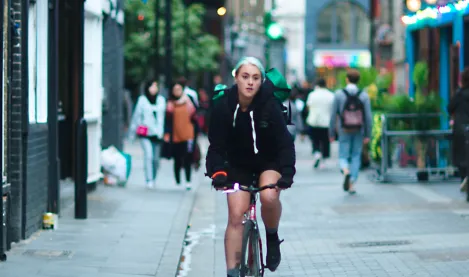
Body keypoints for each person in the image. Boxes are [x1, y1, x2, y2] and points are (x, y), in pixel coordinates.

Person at [205, 57, 296, 277]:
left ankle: (272, 237)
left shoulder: (269, 105)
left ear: (261, 81)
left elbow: (285, 143)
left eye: (256, 78)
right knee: (236, 215)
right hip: (237, 165)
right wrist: (218, 172)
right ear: (236, 77)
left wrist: (287, 172)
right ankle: (232, 272)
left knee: (269, 197)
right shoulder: (223, 106)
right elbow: (216, 146)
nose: (250, 83)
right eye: (245, 77)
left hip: (268, 162)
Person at [329, 69, 372, 194]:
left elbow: (333, 115)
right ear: (358, 80)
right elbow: (368, 117)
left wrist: (331, 132)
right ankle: (352, 182)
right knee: (356, 155)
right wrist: (367, 134)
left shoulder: (338, 94)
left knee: (343, 154)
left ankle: (345, 170)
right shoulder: (364, 95)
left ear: (347, 79)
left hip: (344, 129)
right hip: (359, 129)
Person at [128, 81, 166, 189]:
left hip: (158, 134)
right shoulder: (142, 100)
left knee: (156, 160)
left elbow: (164, 118)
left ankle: (153, 178)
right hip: (145, 133)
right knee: (148, 156)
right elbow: (136, 117)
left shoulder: (161, 100)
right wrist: (132, 134)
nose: (154, 88)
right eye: (151, 86)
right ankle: (149, 180)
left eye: (155, 86)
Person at [164, 82, 197, 190]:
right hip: (176, 135)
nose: (177, 91)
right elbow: (168, 121)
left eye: (179, 89)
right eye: (175, 89)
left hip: (188, 134)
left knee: (187, 158)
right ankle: (177, 180)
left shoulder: (188, 101)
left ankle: (188, 181)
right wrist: (167, 134)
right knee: (177, 158)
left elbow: (195, 117)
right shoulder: (170, 104)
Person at [305, 78, 335, 168]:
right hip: (326, 121)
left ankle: (317, 153)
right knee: (325, 141)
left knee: (315, 139)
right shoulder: (331, 95)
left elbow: (308, 106)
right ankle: (324, 160)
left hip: (313, 120)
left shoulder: (312, 94)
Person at [448, 67, 469, 191]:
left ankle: (464, 179)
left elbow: (449, 107)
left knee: (462, 158)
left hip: (461, 129)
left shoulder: (459, 94)